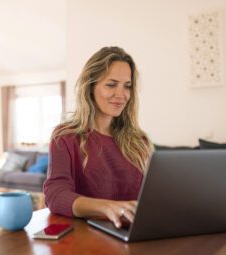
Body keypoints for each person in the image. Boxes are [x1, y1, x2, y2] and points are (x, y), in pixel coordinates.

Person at [43, 46, 154, 228]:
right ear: (91, 86)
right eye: (111, 84)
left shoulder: (139, 141)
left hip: (131, 234)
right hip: (86, 236)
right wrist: (106, 207)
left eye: (127, 86)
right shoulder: (65, 137)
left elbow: (149, 196)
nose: (121, 95)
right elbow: (55, 195)